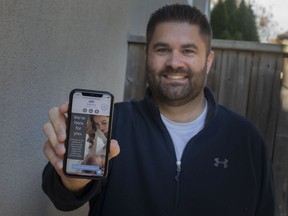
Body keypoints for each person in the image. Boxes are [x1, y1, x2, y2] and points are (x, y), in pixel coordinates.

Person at [42, 4, 275, 216]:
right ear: (147, 55)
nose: (174, 62)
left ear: (209, 60)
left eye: (188, 51)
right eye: (162, 49)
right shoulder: (111, 124)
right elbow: (63, 198)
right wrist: (71, 180)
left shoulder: (245, 140)